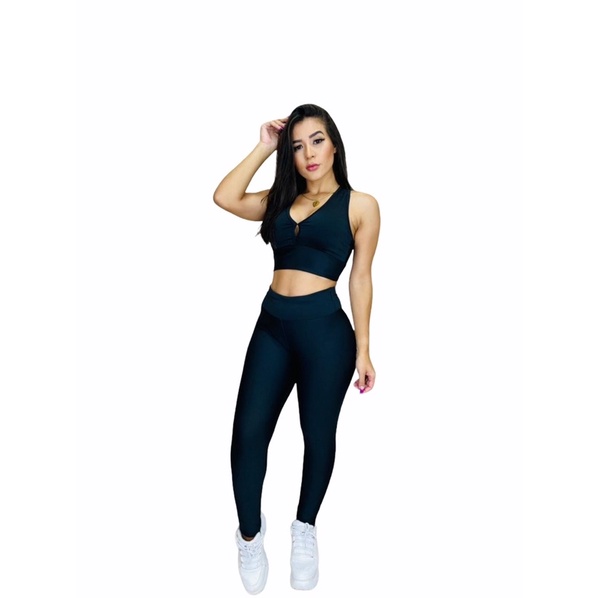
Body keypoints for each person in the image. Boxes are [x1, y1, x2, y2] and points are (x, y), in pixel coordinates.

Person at [213, 103, 380, 594]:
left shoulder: (361, 205)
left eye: (318, 140)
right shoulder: (279, 200)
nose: (309, 153)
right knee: (247, 435)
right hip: (273, 328)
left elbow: (361, 277)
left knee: (318, 435)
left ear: (335, 145)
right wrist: (265, 146)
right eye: (298, 145)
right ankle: (249, 533)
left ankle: (305, 527)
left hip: (326, 333)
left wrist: (365, 349)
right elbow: (224, 197)